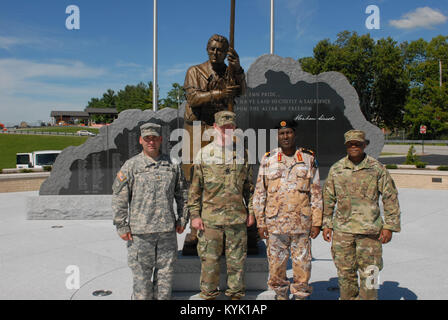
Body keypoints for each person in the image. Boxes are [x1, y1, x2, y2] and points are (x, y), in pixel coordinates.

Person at [182, 34, 247, 249]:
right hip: (198, 127)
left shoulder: (230, 71)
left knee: (228, 172)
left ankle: (231, 223)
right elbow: (193, 98)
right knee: (195, 176)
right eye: (211, 48)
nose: (215, 53)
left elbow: (242, 91)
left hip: (222, 127)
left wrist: (237, 69)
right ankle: (194, 227)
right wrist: (220, 93)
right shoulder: (195, 71)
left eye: (220, 49)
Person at [112, 123, 188, 300]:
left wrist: (182, 219)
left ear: (161, 140)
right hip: (140, 234)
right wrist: (121, 225)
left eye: (154, 138)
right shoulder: (131, 166)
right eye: (147, 139)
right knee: (142, 285)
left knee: (165, 283)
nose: (151, 142)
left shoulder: (173, 165)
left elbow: (183, 194)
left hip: (166, 232)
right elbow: (119, 198)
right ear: (141, 140)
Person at [322, 129, 401, 300]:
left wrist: (390, 226)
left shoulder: (377, 168)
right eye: (350, 144)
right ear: (346, 146)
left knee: (370, 273)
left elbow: (390, 197)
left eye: (358, 143)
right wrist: (326, 224)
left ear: (364, 145)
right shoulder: (337, 169)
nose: (354, 146)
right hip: (343, 232)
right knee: (345, 273)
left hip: (370, 232)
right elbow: (328, 198)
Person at [187, 111, 255, 300]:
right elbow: (194, 189)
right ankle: (209, 295)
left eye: (231, 127)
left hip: (236, 219)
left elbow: (249, 187)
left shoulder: (243, 154)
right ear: (215, 128)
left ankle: (235, 297)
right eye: (223, 127)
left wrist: (251, 212)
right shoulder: (204, 154)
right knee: (210, 262)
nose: (227, 130)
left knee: (237, 264)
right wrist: (195, 215)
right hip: (210, 221)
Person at [253, 120, 323, 300]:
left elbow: (316, 192)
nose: (285, 136)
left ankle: (300, 295)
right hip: (275, 224)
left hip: (301, 223)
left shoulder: (308, 158)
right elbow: (260, 192)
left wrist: (317, 222)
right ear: (278, 136)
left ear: (294, 134)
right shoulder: (268, 159)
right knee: (276, 264)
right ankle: (281, 295)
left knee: (302, 263)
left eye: (289, 132)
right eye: (282, 133)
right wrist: (260, 223)